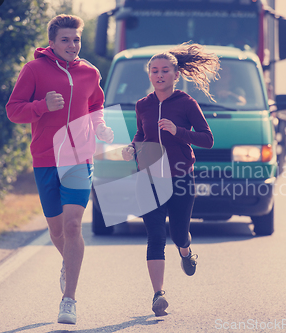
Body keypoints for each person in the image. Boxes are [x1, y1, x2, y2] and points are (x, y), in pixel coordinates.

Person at [6, 14, 113, 325]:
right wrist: (41, 106)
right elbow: (13, 110)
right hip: (45, 158)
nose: (72, 45)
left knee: (72, 226)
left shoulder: (90, 73)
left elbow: (95, 107)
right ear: (52, 42)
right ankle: (69, 261)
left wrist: (102, 129)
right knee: (56, 230)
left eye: (76, 39)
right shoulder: (34, 70)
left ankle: (69, 300)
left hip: (80, 158)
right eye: (65, 39)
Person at [122, 42, 218, 316]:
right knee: (155, 235)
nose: (159, 75)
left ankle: (186, 252)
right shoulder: (143, 105)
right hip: (150, 178)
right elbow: (141, 135)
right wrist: (132, 147)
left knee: (177, 234)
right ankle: (158, 295)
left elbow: (208, 140)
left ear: (176, 75)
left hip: (181, 178)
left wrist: (178, 131)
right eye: (154, 71)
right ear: (149, 75)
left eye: (165, 70)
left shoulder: (187, 104)